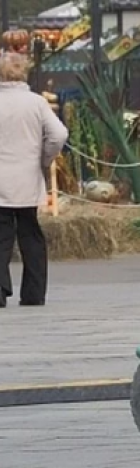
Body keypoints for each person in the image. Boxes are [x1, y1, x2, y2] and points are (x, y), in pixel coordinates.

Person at [0, 53, 68, 309]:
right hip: (27, 175)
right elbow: (59, 133)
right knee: (31, 234)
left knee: (2, 235)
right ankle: (33, 292)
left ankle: (0, 289)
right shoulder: (36, 102)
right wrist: (45, 157)